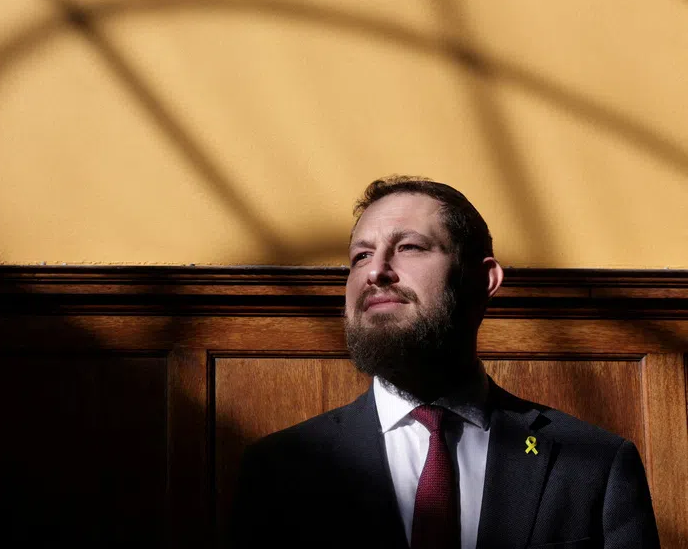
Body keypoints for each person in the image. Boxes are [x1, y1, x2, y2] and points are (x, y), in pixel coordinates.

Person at [230, 176, 660, 549]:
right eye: (360, 256)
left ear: (483, 279)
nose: (376, 271)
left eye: (410, 247)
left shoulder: (594, 462)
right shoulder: (279, 469)